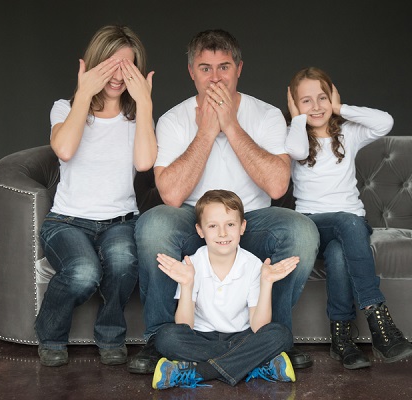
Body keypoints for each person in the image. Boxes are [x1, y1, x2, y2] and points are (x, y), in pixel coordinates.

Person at [128, 29, 319, 374]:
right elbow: (170, 194)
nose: (215, 77)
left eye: (224, 67)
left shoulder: (265, 115)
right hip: (192, 219)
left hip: (253, 219)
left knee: (302, 231)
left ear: (239, 69)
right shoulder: (174, 120)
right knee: (154, 224)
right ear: (191, 72)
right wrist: (205, 132)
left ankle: (271, 338)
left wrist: (230, 126)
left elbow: (277, 186)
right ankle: (159, 340)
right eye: (205, 68)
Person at [34, 25, 156, 367]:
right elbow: (65, 149)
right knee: (83, 272)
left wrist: (145, 104)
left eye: (126, 67)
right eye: (110, 65)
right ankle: (51, 334)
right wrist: (84, 94)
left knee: (123, 262)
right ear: (92, 65)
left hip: (119, 222)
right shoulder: (65, 108)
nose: (117, 76)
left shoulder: (136, 117)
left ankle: (110, 335)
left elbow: (145, 162)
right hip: (67, 222)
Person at [285, 67, 412, 369]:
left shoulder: (348, 133)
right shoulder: (294, 137)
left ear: (333, 96)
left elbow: (385, 122)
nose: (316, 106)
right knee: (347, 223)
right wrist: (296, 117)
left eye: (323, 97)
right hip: (312, 226)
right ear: (294, 104)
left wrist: (341, 108)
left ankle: (342, 341)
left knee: (338, 254)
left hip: (350, 228)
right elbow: (293, 149)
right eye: (305, 101)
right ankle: (379, 321)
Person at [152, 190, 298, 389]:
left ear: (242, 227)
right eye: (213, 226)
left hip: (242, 335)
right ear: (200, 230)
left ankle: (198, 372)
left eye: (230, 224)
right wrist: (186, 285)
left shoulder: (254, 266)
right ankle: (254, 364)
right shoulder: (193, 264)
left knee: (280, 335)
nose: (222, 233)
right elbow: (183, 326)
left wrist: (266, 283)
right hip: (202, 337)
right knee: (166, 337)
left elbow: (259, 327)